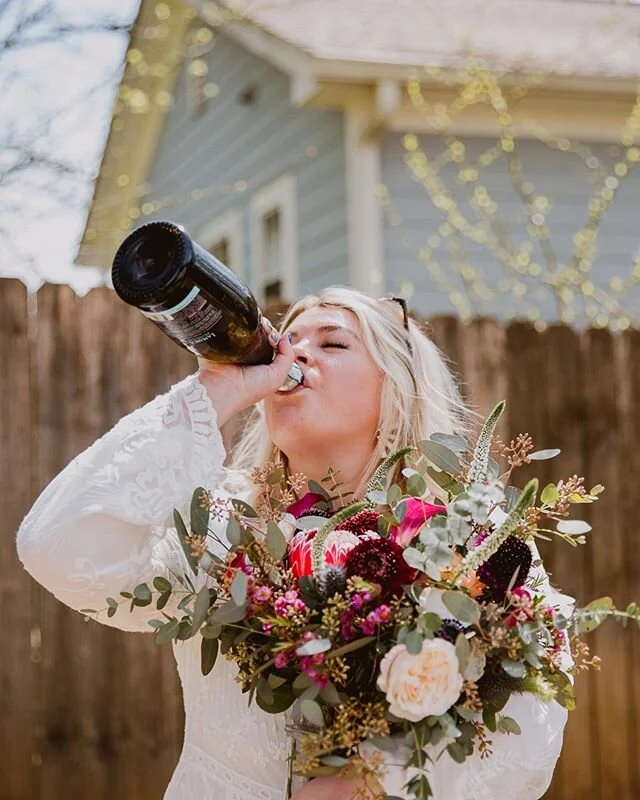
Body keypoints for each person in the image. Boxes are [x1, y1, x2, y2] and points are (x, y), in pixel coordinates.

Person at [16, 287, 570, 800]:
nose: (294, 355)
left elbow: (532, 723)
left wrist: (370, 787)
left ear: (396, 385)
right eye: (287, 342)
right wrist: (211, 394)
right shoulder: (217, 530)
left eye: (333, 343)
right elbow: (56, 548)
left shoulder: (471, 537)